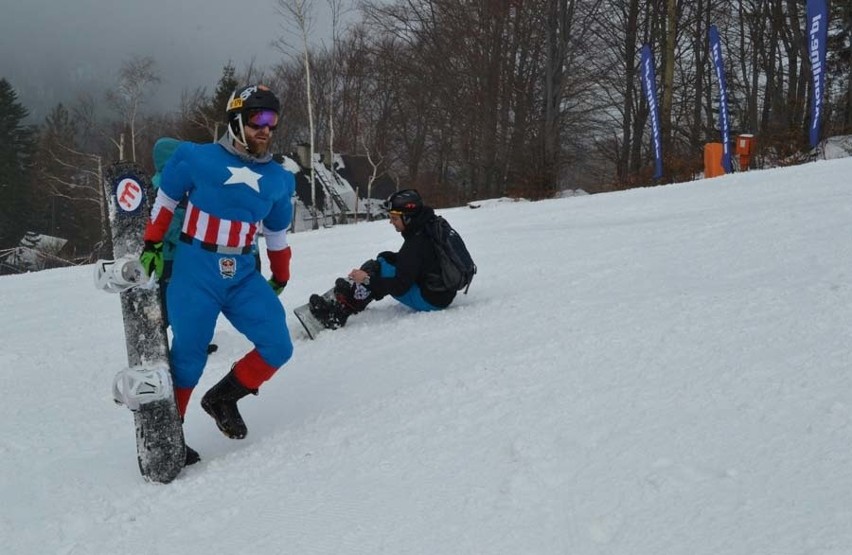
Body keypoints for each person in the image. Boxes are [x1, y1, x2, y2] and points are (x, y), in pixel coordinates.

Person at [139, 84, 295, 466]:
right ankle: (167, 436)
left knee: (278, 345)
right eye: (259, 119)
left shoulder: (278, 178)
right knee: (189, 353)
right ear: (237, 120)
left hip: (242, 273)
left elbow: (276, 234)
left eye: (272, 122)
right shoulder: (196, 158)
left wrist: (281, 275)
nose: (266, 129)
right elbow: (166, 199)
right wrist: (153, 243)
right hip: (196, 269)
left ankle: (223, 397)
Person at [309, 189, 456, 328]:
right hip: (442, 291)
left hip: (431, 299)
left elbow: (400, 286)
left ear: (407, 218)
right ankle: (355, 295)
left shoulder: (416, 243)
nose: (391, 222)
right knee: (382, 262)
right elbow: (422, 260)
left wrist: (366, 280)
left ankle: (341, 312)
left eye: (394, 218)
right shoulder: (428, 226)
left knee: (378, 270)